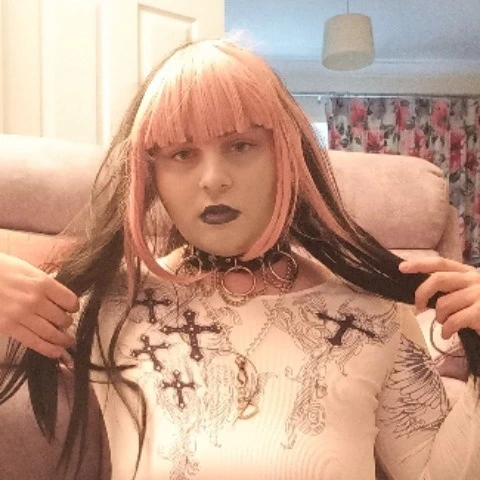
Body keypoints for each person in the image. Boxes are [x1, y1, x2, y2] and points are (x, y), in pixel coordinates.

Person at [1, 38, 480, 480]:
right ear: (150, 176)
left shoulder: (373, 311)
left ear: (286, 158)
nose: (213, 178)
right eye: (182, 154)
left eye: (241, 145)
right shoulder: (110, 300)